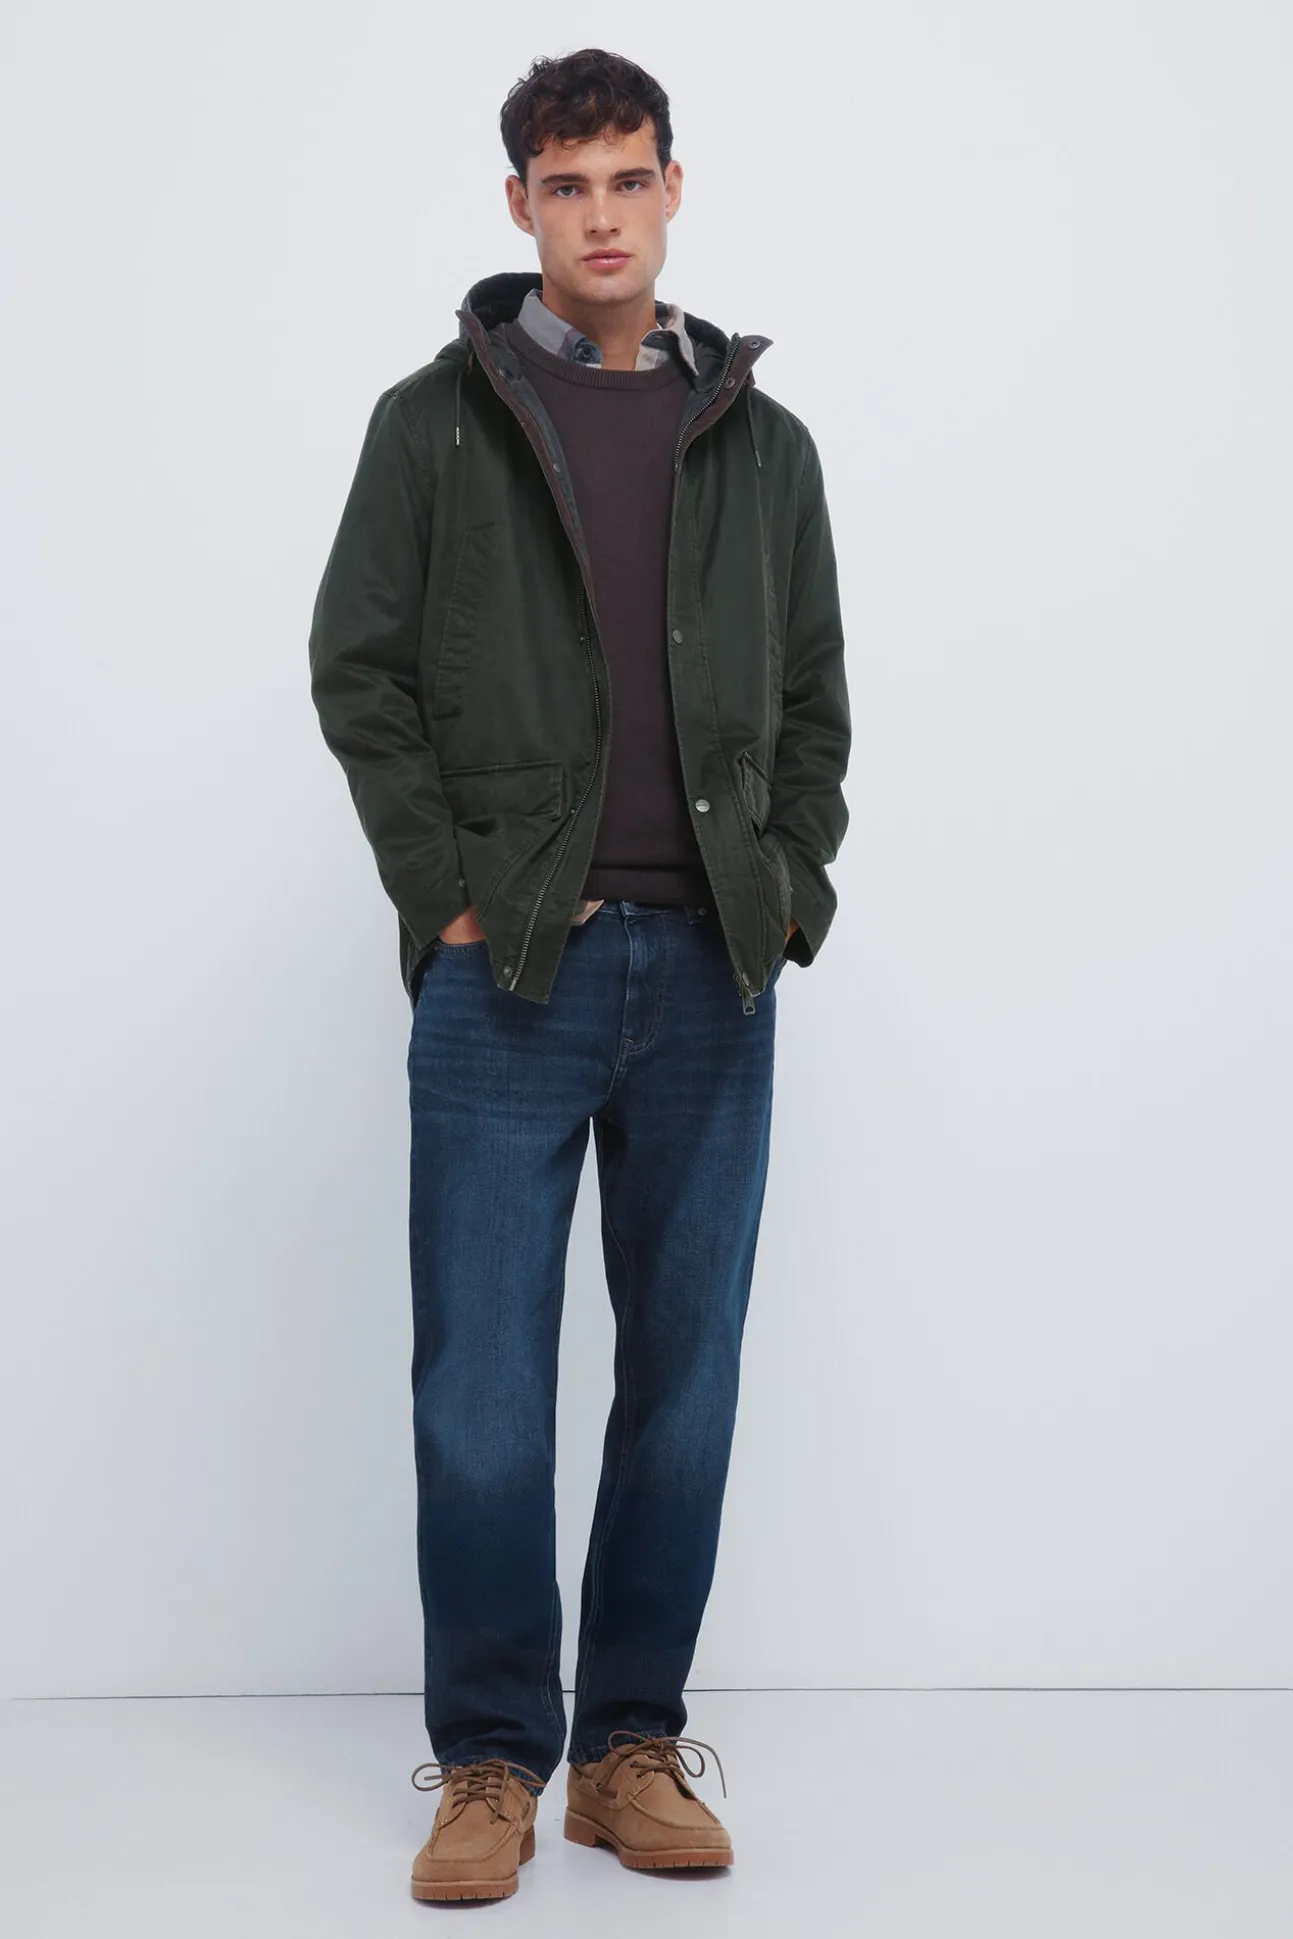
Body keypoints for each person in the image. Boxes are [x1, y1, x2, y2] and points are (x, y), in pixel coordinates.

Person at [307, 45, 851, 1904]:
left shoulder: (764, 446)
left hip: (713, 974)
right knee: (479, 1385)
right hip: (510, 978)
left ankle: (628, 1747)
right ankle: (487, 1761)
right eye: (567, 186)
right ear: (520, 204)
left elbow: (814, 700)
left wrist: (787, 887)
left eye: (628, 179)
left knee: (683, 1379)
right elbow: (360, 667)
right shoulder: (434, 424)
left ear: (673, 188)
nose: (601, 216)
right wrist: (446, 892)